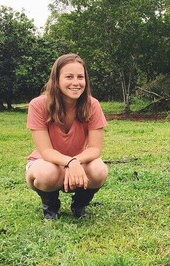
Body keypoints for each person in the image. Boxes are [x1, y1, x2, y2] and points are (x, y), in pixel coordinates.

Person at [25, 53, 108, 220]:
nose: (76, 83)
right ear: (56, 80)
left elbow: (95, 148)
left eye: (80, 77)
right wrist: (69, 162)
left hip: (78, 162)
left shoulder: (92, 105)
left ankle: (79, 205)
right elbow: (46, 151)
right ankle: (51, 208)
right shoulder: (38, 105)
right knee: (47, 173)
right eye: (69, 77)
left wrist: (75, 161)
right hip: (46, 164)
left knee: (99, 169)